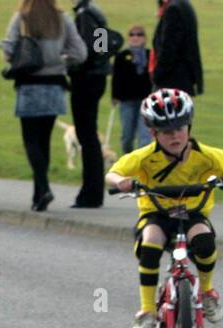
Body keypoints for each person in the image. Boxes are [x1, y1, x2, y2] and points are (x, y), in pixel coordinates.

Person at [106, 88, 223, 328]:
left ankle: (207, 291)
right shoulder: (145, 157)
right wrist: (121, 182)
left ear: (189, 127)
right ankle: (147, 311)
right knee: (150, 244)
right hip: (156, 214)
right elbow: (113, 173)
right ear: (153, 133)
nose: (175, 136)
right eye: (167, 132)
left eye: (180, 129)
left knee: (204, 240)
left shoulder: (205, 154)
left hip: (192, 213)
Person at [0, 0, 86, 212]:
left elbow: (8, 50)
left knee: (31, 140)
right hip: (55, 86)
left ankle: (44, 187)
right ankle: (38, 194)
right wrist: (61, 59)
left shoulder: (22, 17)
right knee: (44, 141)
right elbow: (81, 52)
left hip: (29, 86)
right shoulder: (62, 18)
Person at [68, 0, 116, 208]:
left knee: (86, 137)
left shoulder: (84, 15)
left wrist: (72, 65)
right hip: (97, 78)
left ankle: (90, 193)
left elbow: (86, 51)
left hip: (86, 81)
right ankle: (93, 191)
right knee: (90, 137)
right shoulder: (96, 13)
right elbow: (101, 48)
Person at [110, 23, 151, 154]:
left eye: (139, 34)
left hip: (146, 101)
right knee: (127, 135)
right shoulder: (122, 56)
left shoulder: (151, 55)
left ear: (144, 38)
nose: (136, 37)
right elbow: (116, 78)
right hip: (126, 100)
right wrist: (115, 96)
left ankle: (141, 165)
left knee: (144, 136)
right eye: (132, 34)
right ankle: (127, 160)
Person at [150, 0, 202, 95]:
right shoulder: (183, 4)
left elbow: (169, 48)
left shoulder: (173, 9)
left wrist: (157, 75)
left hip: (171, 81)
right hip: (181, 80)